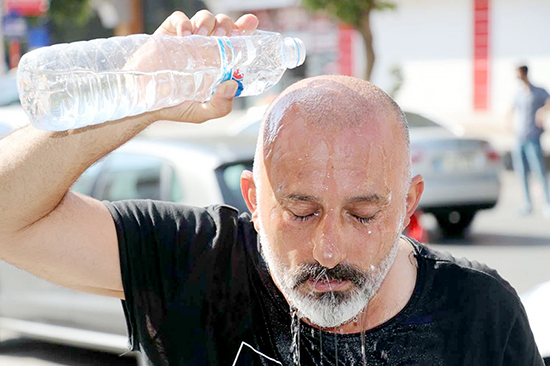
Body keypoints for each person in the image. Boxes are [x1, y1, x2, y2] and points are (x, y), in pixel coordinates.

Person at [0, 10, 544, 366]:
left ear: (408, 204)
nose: (328, 250)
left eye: (362, 214)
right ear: (254, 201)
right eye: (301, 211)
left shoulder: (480, 313)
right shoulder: (198, 264)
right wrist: (136, 92)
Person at [511, 65, 550, 217]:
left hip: (533, 137)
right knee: (522, 172)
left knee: (539, 171)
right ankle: (527, 203)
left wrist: (542, 112)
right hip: (520, 137)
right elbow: (512, 108)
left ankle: (547, 202)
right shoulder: (519, 93)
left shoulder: (538, 91)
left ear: (523, 72)